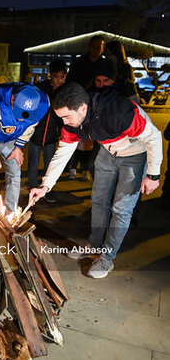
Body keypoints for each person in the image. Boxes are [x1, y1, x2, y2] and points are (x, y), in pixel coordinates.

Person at [29, 82, 162, 279]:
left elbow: (154, 137)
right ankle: (94, 245)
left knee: (121, 209)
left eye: (67, 116)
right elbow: (63, 152)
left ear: (83, 107)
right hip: (107, 151)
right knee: (99, 201)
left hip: (135, 153)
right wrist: (45, 186)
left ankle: (107, 257)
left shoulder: (118, 114)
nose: (64, 122)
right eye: (61, 118)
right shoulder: (73, 121)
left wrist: (153, 175)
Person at [0, 83, 49, 238]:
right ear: (13, 99)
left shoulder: (43, 104)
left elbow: (31, 127)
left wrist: (19, 146)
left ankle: (10, 217)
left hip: (11, 140)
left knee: (15, 171)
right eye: (19, 112)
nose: (22, 118)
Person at [28, 59, 66, 201]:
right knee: (33, 164)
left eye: (62, 77)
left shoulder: (64, 91)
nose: (59, 80)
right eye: (56, 77)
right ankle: (32, 188)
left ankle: (46, 190)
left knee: (49, 164)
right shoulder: (41, 88)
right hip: (35, 135)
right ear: (50, 75)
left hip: (51, 135)